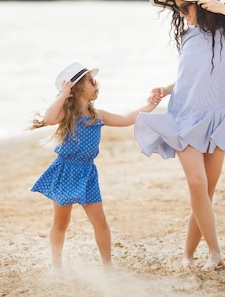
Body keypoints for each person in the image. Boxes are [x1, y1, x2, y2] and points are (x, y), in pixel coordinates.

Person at [134, 0, 225, 271]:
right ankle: (215, 252)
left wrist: (224, 9)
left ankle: (187, 255)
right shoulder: (187, 36)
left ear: (202, 5)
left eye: (185, 8)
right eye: (178, 9)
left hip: (217, 118)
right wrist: (168, 89)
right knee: (197, 184)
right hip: (183, 117)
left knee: (205, 193)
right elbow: (189, 76)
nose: (181, 14)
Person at [30, 62, 159, 270]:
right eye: (91, 80)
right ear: (78, 88)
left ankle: (107, 266)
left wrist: (151, 105)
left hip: (88, 173)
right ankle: (56, 265)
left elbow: (126, 119)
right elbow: (49, 118)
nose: (96, 83)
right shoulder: (66, 115)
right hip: (66, 170)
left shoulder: (98, 115)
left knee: (100, 220)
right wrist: (63, 95)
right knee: (61, 223)